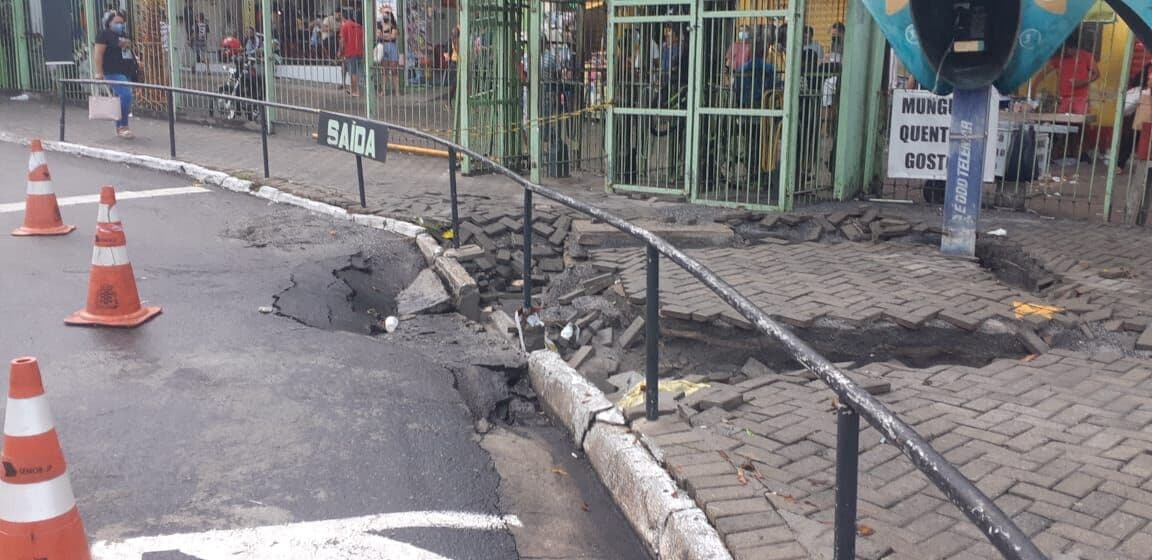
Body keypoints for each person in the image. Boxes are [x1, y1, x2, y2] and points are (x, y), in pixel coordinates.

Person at [93, 10, 139, 139]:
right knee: (126, 95)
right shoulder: (104, 35)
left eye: (122, 22)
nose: (120, 25)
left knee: (122, 99)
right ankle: (123, 126)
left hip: (126, 70)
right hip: (112, 71)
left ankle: (120, 126)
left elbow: (128, 51)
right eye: (116, 22)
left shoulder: (124, 34)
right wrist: (99, 72)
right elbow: (98, 54)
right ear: (108, 23)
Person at [1035, 34, 1099, 115]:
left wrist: (1082, 82)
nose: (1072, 51)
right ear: (1065, 48)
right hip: (1063, 98)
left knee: (1080, 122)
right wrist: (1034, 86)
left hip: (1081, 99)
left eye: (1074, 49)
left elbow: (1096, 74)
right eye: (1069, 49)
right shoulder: (1059, 58)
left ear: (1077, 47)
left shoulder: (1086, 56)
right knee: (1061, 123)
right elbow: (1043, 73)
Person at [339, 10, 364, 97]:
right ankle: (355, 89)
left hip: (350, 52)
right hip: (359, 52)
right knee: (357, 72)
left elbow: (342, 40)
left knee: (353, 72)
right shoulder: (359, 26)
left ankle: (355, 91)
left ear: (343, 17)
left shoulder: (345, 26)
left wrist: (340, 51)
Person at [375, 9, 400, 95]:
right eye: (384, 15)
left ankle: (397, 91)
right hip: (383, 47)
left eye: (386, 15)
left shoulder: (393, 26)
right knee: (384, 71)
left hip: (392, 47)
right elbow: (378, 35)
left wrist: (383, 36)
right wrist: (387, 36)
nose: (384, 16)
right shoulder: (380, 26)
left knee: (394, 71)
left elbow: (393, 37)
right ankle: (383, 91)